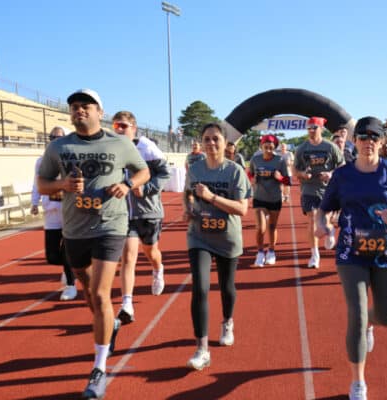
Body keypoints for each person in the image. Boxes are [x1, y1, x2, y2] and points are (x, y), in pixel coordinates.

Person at [37, 89, 151, 400]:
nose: (79, 111)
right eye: (74, 107)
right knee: (88, 291)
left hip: (110, 227)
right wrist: (61, 185)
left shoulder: (119, 143)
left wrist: (127, 184)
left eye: (85, 106)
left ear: (100, 112)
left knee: (101, 292)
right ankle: (110, 323)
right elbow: (42, 183)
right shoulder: (59, 147)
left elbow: (144, 171)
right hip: (74, 230)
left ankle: (99, 367)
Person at [315, 116, 387, 400]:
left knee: (385, 316)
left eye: (374, 137)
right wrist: (322, 224)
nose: (368, 142)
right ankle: (357, 382)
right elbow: (324, 209)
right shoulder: (343, 175)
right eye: (362, 137)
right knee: (357, 316)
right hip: (352, 253)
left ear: (382, 141)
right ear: (354, 141)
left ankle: (372, 324)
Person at [182, 122, 251, 370]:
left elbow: (242, 209)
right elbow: (188, 193)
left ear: (224, 143)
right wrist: (188, 208)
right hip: (198, 235)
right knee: (200, 287)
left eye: (216, 139)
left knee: (226, 287)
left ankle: (227, 321)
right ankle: (202, 349)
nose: (211, 144)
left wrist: (211, 197)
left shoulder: (234, 172)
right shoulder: (195, 168)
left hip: (227, 237)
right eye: (207, 139)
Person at [112, 111, 171, 326]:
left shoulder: (146, 148)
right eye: (116, 126)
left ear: (133, 128)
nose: (119, 129)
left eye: (124, 126)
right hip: (124, 214)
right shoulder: (112, 149)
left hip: (148, 211)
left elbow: (165, 174)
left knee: (151, 252)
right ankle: (126, 304)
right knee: (128, 257)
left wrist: (146, 188)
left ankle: (158, 269)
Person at [30, 126, 77, 301]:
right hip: (50, 210)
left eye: (59, 137)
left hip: (68, 209)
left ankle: (71, 284)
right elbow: (36, 183)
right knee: (52, 255)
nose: (55, 140)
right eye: (52, 137)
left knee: (67, 249)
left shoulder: (71, 159)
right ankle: (70, 267)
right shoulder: (41, 161)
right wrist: (34, 202)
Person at [293, 116, 344, 268]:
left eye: (314, 128)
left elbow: (342, 165)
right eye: (308, 128)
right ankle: (314, 254)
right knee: (313, 219)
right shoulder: (302, 148)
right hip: (309, 188)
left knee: (325, 220)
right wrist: (302, 174)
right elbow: (294, 169)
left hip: (327, 189)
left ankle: (329, 230)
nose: (311, 131)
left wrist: (331, 174)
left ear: (321, 129)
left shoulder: (330, 147)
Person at [248, 134, 290, 266]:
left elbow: (288, 181)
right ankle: (260, 253)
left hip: (274, 198)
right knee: (261, 228)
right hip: (259, 197)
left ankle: (271, 251)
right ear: (261, 146)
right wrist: (252, 178)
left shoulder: (280, 161)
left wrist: (281, 178)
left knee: (272, 227)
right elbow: (250, 173)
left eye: (271, 145)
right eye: (265, 145)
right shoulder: (255, 159)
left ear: (275, 147)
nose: (268, 147)